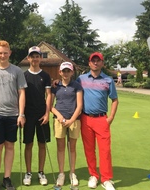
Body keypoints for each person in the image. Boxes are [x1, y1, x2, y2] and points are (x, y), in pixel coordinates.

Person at [0, 40, 27, 190]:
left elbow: (22, 93)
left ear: (10, 53)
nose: (3, 55)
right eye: (0, 53)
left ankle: (6, 178)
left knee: (10, 146)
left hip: (13, 115)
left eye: (5, 53)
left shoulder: (17, 71)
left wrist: (21, 114)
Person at [76, 52, 118, 190]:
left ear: (102, 63)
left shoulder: (108, 80)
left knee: (105, 150)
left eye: (98, 60)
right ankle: (93, 175)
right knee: (89, 149)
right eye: (93, 61)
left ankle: (106, 179)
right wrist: (56, 82)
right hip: (86, 118)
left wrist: (110, 117)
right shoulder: (81, 79)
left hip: (101, 119)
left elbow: (114, 100)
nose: (95, 63)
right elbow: (70, 86)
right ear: (89, 63)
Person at [22, 46, 51, 186]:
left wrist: (47, 113)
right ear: (28, 58)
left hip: (41, 115)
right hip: (27, 115)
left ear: (40, 58)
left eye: (37, 56)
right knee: (28, 144)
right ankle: (28, 172)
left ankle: (41, 171)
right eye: (32, 56)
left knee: (42, 144)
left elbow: (49, 95)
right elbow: (20, 96)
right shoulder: (23, 76)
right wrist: (21, 114)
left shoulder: (45, 76)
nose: (34, 59)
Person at [50, 62, 83, 188]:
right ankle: (61, 173)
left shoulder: (77, 86)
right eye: (63, 71)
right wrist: (59, 116)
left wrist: (71, 120)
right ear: (60, 72)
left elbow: (79, 105)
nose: (66, 73)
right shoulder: (55, 86)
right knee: (60, 147)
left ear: (72, 72)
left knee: (72, 147)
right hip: (59, 120)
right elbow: (50, 105)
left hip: (74, 120)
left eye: (68, 71)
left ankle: (72, 173)